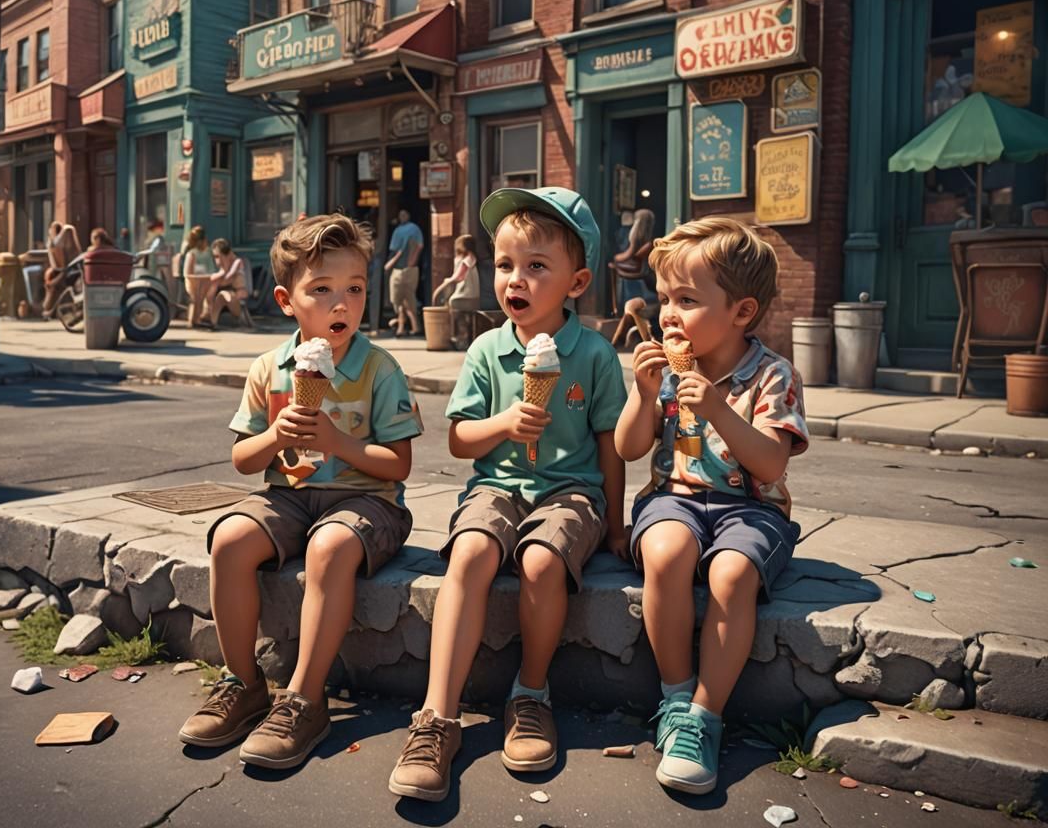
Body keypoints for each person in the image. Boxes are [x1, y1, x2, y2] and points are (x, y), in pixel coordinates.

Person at [388, 187, 628, 802]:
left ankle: (531, 693)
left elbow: (610, 447)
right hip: (497, 485)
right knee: (469, 555)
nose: (514, 279)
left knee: (541, 561)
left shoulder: (596, 353)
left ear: (575, 283)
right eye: (504, 264)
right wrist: (504, 423)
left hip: (572, 492)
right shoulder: (486, 349)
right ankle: (437, 716)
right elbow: (461, 441)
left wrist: (616, 523)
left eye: (535, 267)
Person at [177, 213, 424, 769]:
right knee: (231, 541)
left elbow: (398, 465)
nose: (342, 304)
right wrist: (272, 435)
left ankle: (306, 698)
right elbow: (243, 460)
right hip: (288, 496)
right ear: (288, 301)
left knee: (328, 548)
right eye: (323, 290)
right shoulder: (271, 367)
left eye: (355, 290)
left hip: (368, 501)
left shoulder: (380, 369)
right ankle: (244, 683)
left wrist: (338, 441)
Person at [613, 216, 809, 795]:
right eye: (664, 297)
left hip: (750, 510)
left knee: (731, 573)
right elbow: (628, 448)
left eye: (687, 299)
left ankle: (704, 714)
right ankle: (675, 697)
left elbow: (771, 465)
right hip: (674, 499)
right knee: (667, 552)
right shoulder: (667, 372)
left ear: (741, 312)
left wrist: (721, 409)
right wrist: (645, 393)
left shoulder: (773, 374)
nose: (667, 313)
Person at [431, 234, 480, 349]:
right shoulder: (469, 258)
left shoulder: (468, 258)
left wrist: (444, 284)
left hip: (467, 295)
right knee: (453, 306)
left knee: (452, 305)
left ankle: (456, 336)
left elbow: (458, 276)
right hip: (471, 295)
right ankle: (462, 337)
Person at [384, 208, 424, 337]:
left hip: (409, 268)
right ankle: (408, 326)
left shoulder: (414, 229)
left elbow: (419, 245)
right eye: (400, 214)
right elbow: (394, 250)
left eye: (404, 214)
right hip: (398, 268)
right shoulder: (397, 230)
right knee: (399, 299)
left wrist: (412, 262)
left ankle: (404, 326)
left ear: (409, 215)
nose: (402, 216)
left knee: (407, 298)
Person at [611, 207, 657, 307]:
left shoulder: (636, 238)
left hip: (635, 271)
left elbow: (629, 255)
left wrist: (614, 258)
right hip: (644, 270)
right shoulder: (650, 240)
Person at [206, 238, 252, 328]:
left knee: (223, 295)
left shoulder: (237, 262)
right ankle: (211, 320)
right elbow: (214, 279)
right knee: (214, 291)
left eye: (218, 256)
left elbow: (227, 279)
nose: (217, 260)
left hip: (239, 295)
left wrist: (224, 269)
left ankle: (212, 319)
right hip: (228, 294)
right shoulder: (223, 267)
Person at [41, 222, 81, 318]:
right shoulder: (56, 245)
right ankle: (49, 310)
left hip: (70, 274)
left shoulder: (57, 246)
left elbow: (61, 268)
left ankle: (49, 310)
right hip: (67, 273)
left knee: (53, 286)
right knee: (52, 285)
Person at [182, 224, 216, 328]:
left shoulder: (208, 252)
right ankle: (194, 319)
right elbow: (188, 274)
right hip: (193, 282)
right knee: (197, 294)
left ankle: (203, 317)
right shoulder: (191, 254)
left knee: (204, 292)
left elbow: (212, 270)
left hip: (207, 281)